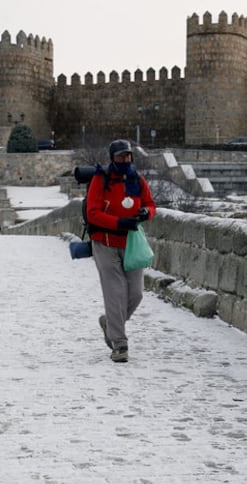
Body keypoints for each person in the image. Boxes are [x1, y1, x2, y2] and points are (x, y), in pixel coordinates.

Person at [86, 139, 156, 363]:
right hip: (105, 243)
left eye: (127, 156)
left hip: (131, 244)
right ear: (112, 158)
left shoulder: (137, 179)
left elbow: (151, 204)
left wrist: (147, 212)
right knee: (115, 293)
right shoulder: (101, 179)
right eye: (120, 156)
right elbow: (93, 213)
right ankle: (119, 344)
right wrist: (118, 223)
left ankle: (110, 322)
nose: (125, 160)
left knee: (135, 293)